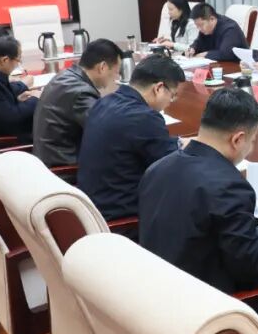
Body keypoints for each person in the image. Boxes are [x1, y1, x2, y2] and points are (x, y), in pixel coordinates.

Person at [138, 88, 258, 294]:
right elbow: (249, 265)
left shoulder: (157, 168)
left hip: (155, 288)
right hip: (205, 301)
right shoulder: (230, 187)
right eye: (252, 141)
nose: (250, 147)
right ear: (237, 140)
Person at [77, 55, 185, 222]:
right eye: (172, 95)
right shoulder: (144, 117)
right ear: (158, 88)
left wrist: (178, 143)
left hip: (93, 208)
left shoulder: (104, 102)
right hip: (121, 219)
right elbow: (173, 169)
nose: (171, 101)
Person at [31, 39, 123, 167]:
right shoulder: (81, 92)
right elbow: (106, 130)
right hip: (63, 168)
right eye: (116, 72)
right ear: (102, 67)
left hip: (49, 158)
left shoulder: (65, 76)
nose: (116, 78)